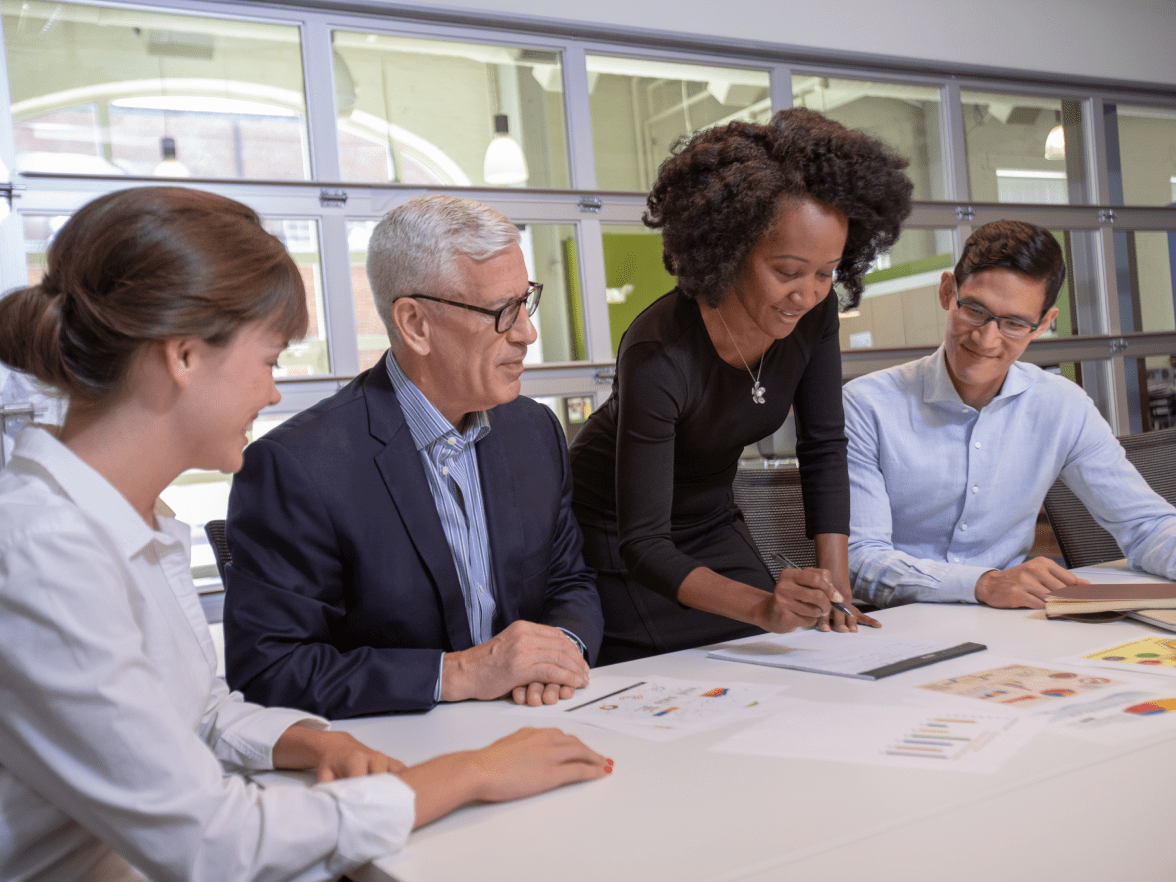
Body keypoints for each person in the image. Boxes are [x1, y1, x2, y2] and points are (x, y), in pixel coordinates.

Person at [0, 186, 611, 882]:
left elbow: (198, 713)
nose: (270, 393)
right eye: (268, 359)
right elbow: (215, 843)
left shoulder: (133, 523)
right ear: (185, 356)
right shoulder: (41, 552)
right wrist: (467, 774)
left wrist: (309, 740)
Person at [224, 195, 604, 719]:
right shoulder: (298, 467)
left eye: (526, 301)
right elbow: (270, 671)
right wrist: (463, 674)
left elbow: (569, 581)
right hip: (396, 752)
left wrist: (559, 650)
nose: (526, 333)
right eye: (502, 312)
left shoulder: (534, 430)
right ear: (415, 324)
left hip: (537, 722)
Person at [569, 108, 914, 663]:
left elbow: (824, 446)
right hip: (615, 534)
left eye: (827, 272)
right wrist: (762, 607)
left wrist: (835, 581)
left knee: (786, 660)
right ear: (729, 251)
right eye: (787, 272)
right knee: (682, 677)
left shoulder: (814, 317)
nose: (808, 294)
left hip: (711, 521)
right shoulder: (658, 354)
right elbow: (645, 544)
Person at [845, 219, 1176, 609]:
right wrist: (982, 584)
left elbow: (1147, 525)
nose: (987, 339)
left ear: (1043, 325)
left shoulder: (1062, 406)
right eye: (974, 310)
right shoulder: (866, 405)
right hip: (893, 625)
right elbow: (857, 560)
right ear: (948, 291)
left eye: (1015, 323)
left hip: (1010, 623)